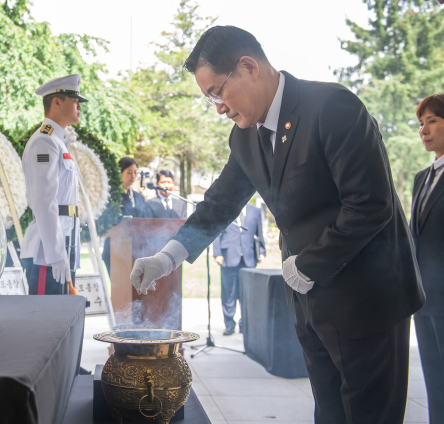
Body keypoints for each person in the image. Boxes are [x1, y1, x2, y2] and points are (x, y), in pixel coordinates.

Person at [130, 26, 424, 424]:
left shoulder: (332, 107)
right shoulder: (245, 137)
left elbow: (370, 206)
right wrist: (168, 257)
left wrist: (307, 265)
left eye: (217, 91)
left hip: (366, 301)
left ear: (248, 66)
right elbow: (219, 204)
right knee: (330, 413)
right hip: (311, 301)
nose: (217, 106)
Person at [411, 92, 444, 424]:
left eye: (433, 121)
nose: (424, 130)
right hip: (424, 297)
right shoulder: (422, 177)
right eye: (421, 123)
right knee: (435, 382)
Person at [21, 74, 87, 295]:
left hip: (64, 243)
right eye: (74, 101)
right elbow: (43, 201)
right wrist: (56, 253)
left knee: (63, 321)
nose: (79, 106)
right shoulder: (45, 140)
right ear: (57, 102)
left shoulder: (58, 141)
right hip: (47, 252)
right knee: (44, 323)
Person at [213, 202, 265, 335]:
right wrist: (217, 253)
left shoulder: (255, 210)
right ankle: (229, 324)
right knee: (228, 294)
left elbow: (259, 232)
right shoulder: (225, 208)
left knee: (248, 294)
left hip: (248, 258)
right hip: (228, 257)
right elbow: (216, 232)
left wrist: (262, 251)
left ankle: (245, 324)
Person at [102, 157, 150, 275]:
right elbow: (108, 220)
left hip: (137, 250)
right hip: (115, 249)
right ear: (120, 173)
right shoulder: (111, 196)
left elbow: (144, 220)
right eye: (129, 172)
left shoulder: (139, 197)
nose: (133, 176)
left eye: (135, 172)